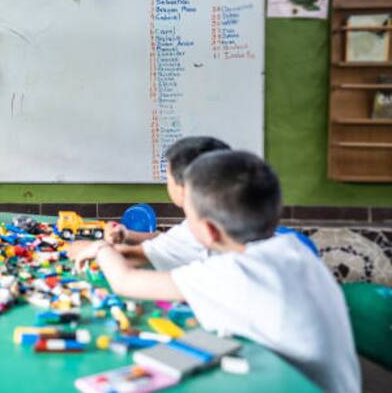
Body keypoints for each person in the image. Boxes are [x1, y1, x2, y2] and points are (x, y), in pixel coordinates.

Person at [71, 151, 360, 393]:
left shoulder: (235, 273)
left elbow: (126, 282)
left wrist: (100, 249)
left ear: (208, 231)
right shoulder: (291, 248)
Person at [96, 136, 230, 270]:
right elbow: (169, 240)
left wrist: (95, 248)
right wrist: (126, 234)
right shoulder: (219, 216)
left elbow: (127, 267)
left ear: (182, 188)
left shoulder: (205, 233)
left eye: (168, 178)